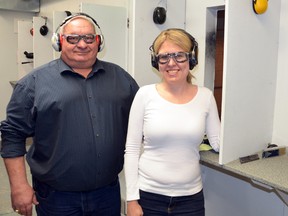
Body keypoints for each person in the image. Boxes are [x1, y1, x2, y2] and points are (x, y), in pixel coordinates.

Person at [0, 13, 139, 216]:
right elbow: (12, 135)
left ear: (98, 41)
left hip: (107, 194)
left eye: (89, 38)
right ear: (59, 42)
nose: (82, 44)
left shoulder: (121, 79)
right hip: (56, 197)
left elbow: (142, 121)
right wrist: (19, 186)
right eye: (73, 38)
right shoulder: (33, 83)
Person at [124, 28, 221, 216]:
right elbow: (132, 149)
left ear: (192, 59)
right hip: (148, 197)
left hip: (190, 200)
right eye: (164, 57)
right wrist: (131, 200)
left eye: (179, 56)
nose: (171, 63)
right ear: (156, 61)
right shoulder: (145, 95)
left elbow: (217, 142)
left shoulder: (206, 97)